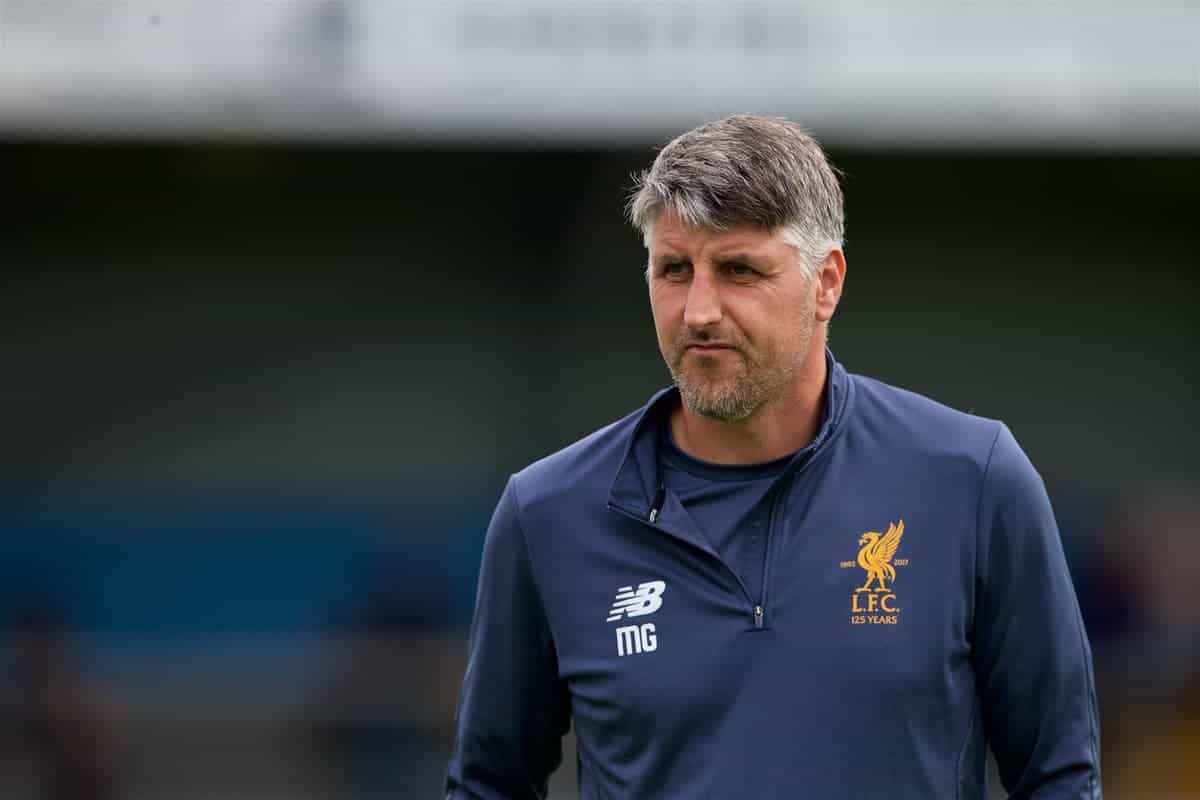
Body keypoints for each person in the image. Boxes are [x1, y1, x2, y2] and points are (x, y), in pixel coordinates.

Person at [445, 115, 1101, 798]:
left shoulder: (973, 479)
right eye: (674, 270)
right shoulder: (547, 513)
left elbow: (1058, 774)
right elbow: (488, 783)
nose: (699, 310)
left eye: (738, 270)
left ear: (827, 283)